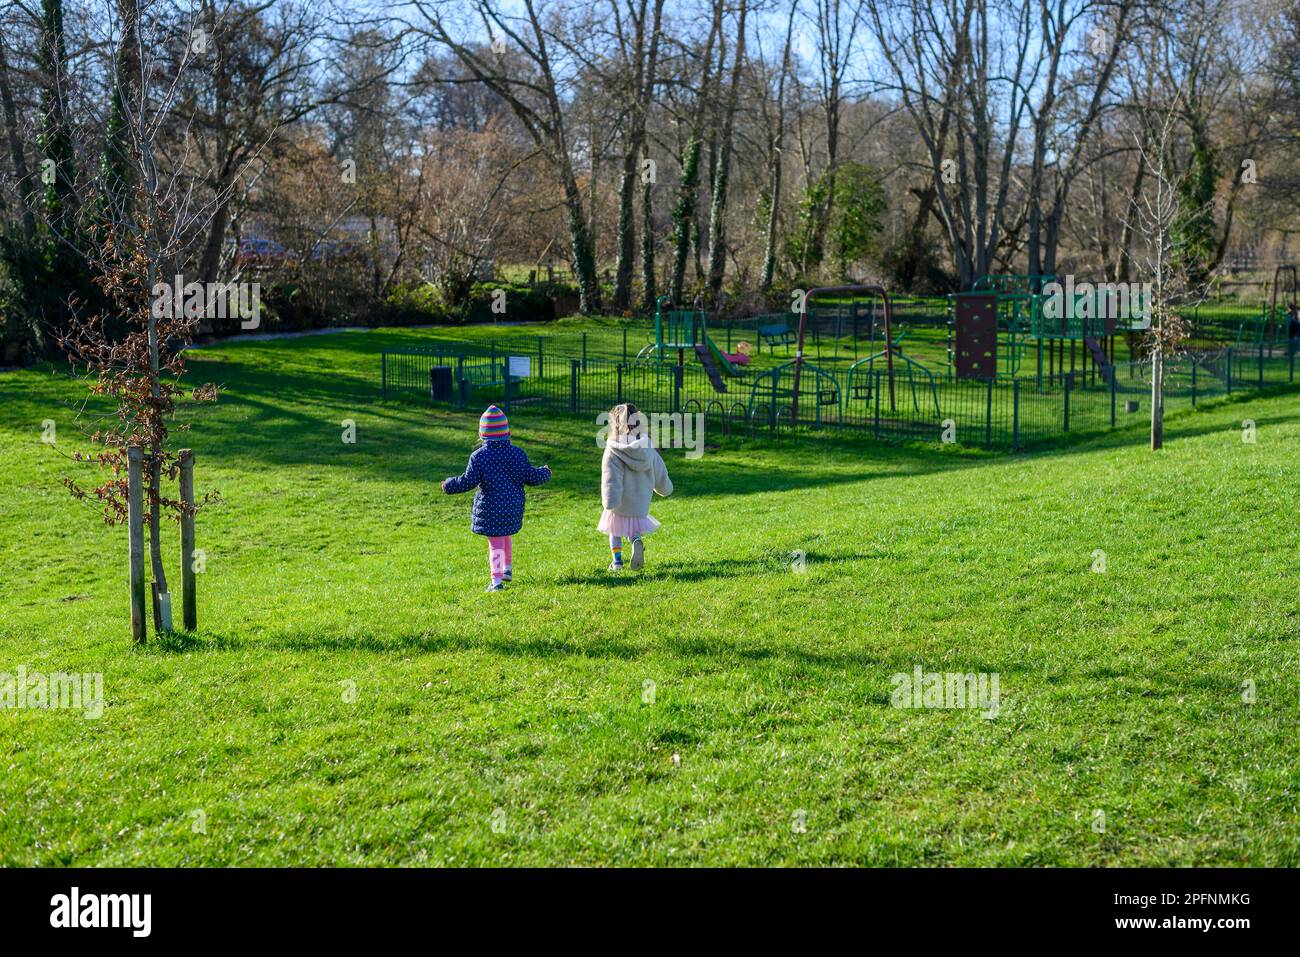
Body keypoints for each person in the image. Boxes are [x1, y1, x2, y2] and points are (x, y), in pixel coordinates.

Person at [442, 405, 551, 591]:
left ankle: (497, 582)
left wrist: (449, 484)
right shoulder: (517, 454)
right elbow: (530, 476)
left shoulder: (479, 457)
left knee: (495, 544)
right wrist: (545, 472)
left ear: (482, 433)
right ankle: (507, 569)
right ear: (507, 432)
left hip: (491, 508)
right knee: (506, 536)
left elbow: (468, 481)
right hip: (512, 507)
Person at [599, 402, 672, 571]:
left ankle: (617, 562)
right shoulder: (647, 447)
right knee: (632, 528)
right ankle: (635, 541)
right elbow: (659, 470)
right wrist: (665, 488)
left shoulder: (613, 450)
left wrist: (610, 501)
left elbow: (610, 477)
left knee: (614, 530)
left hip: (619, 502)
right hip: (639, 502)